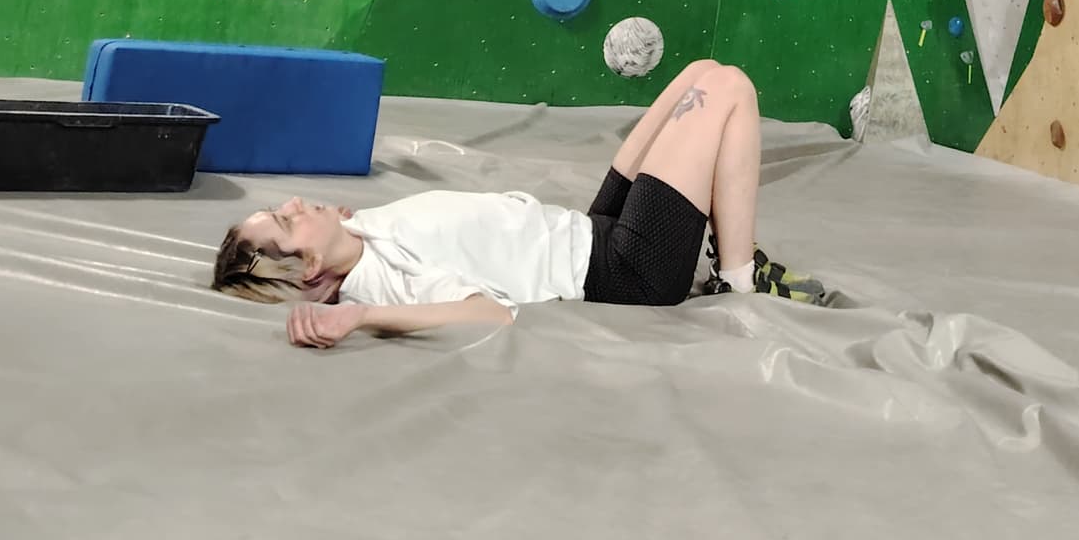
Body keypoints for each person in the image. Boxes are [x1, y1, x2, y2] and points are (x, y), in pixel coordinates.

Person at [210, 60, 824, 346]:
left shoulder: (357, 235)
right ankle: (737, 281)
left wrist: (334, 227)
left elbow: (341, 238)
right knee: (729, 87)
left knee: (699, 73)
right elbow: (491, 315)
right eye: (286, 220)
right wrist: (360, 316)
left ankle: (730, 259)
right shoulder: (382, 281)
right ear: (311, 267)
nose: (296, 203)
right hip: (623, 269)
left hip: (589, 227)